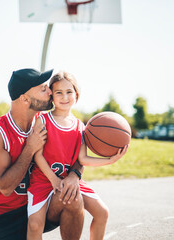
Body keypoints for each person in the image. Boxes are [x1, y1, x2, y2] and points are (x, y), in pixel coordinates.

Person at [0, 68, 85, 240]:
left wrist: (75, 174)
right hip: (7, 216)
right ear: (25, 98)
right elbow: (6, 188)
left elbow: (78, 154)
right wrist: (30, 148)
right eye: (43, 89)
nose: (50, 92)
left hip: (41, 204)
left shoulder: (48, 121)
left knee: (72, 195)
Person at [27, 71, 129, 240]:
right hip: (43, 181)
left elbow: (82, 159)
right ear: (52, 96)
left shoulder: (80, 126)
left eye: (69, 92)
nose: (64, 97)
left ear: (76, 94)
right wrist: (54, 180)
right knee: (35, 225)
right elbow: (37, 156)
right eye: (59, 92)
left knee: (102, 212)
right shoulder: (43, 120)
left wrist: (110, 160)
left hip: (71, 180)